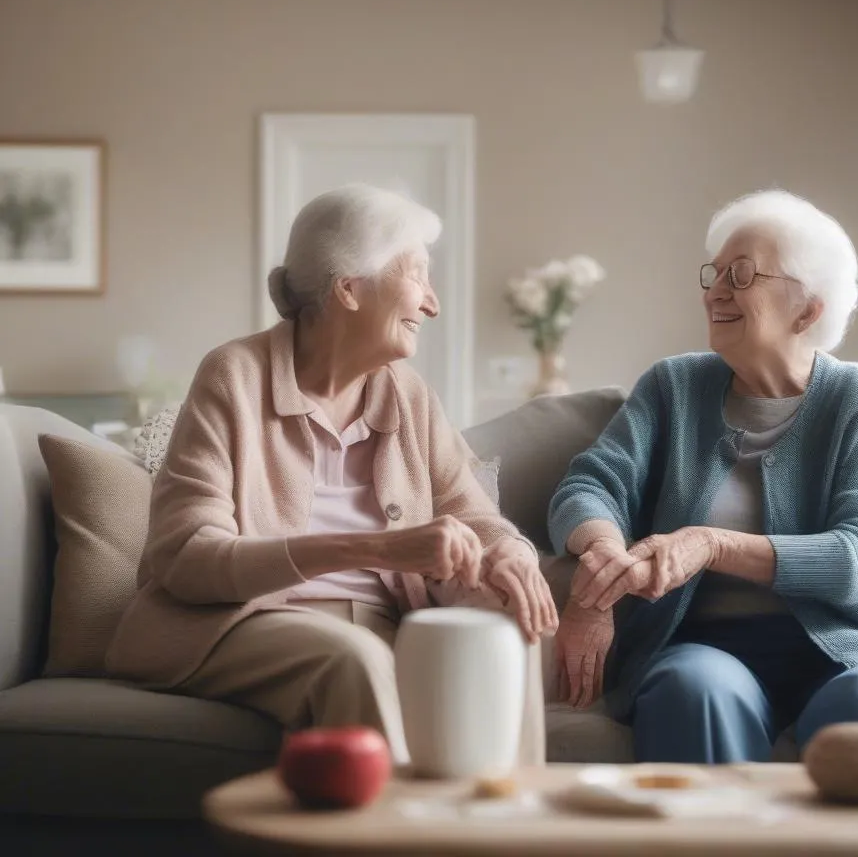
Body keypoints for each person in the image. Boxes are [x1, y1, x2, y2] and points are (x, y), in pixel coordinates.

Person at [107, 184, 557, 764]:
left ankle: (505, 827)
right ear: (350, 288)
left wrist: (510, 552)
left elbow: (469, 510)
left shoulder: (408, 396)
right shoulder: (234, 377)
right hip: (246, 620)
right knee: (355, 657)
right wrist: (377, 547)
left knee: (517, 625)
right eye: (417, 275)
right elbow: (186, 558)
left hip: (386, 619)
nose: (432, 304)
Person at [548, 189, 858, 763]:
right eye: (714, 274)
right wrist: (601, 566)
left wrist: (709, 543)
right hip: (708, 647)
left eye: (741, 275)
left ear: (808, 309)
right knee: (693, 692)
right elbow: (590, 485)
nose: (715, 291)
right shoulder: (674, 388)